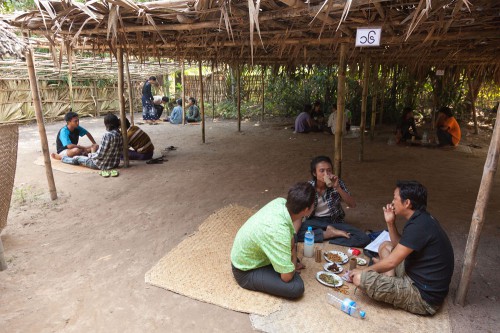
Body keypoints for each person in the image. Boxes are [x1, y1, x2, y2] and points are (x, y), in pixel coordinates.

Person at [349, 181, 454, 315]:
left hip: (422, 296)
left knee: (359, 278)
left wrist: (364, 271)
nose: (392, 202)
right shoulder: (422, 219)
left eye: (395, 198)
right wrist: (390, 223)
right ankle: (390, 278)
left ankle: (389, 280)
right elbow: (398, 246)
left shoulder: (419, 226)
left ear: (407, 203)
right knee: (385, 246)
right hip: (416, 274)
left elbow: (392, 262)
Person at [231, 182, 316, 299]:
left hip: (257, 250)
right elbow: (286, 278)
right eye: (313, 205)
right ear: (306, 210)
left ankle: (285, 263)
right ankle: (285, 264)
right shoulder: (279, 232)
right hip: (245, 271)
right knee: (296, 287)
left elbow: (291, 239)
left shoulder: (280, 202)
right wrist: (292, 262)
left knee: (293, 242)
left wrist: (292, 255)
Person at [297, 156, 370, 247]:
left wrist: (337, 188)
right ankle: (330, 235)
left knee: (364, 238)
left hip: (334, 221)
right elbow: (300, 211)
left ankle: (325, 236)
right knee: (296, 234)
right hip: (314, 221)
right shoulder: (308, 187)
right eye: (322, 171)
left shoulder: (337, 183)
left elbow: (352, 204)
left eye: (329, 170)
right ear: (314, 173)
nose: (326, 174)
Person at [55, 113, 123, 171]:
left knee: (82, 153)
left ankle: (81, 154)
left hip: (100, 164)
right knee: (77, 151)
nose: (78, 123)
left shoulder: (77, 127)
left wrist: (94, 144)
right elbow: (69, 146)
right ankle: (62, 157)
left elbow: (87, 133)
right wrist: (87, 148)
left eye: (78, 120)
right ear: (68, 122)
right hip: (65, 150)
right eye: (75, 121)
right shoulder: (64, 131)